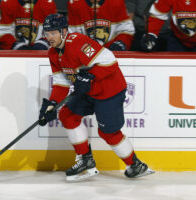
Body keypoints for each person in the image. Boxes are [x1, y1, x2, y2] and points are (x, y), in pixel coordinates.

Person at [39, 13, 154, 181]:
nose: (49, 37)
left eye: (53, 33)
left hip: (109, 90)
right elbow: (61, 82)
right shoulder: (53, 53)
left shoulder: (77, 42)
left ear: (64, 31)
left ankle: (135, 165)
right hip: (88, 91)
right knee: (67, 115)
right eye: (47, 33)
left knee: (108, 132)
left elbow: (109, 62)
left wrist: (89, 76)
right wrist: (52, 104)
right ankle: (86, 160)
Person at [67, 0, 134, 51]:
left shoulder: (116, 2)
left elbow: (127, 31)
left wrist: (120, 44)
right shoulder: (75, 4)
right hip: (86, 58)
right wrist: (89, 52)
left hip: (114, 55)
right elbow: (73, 37)